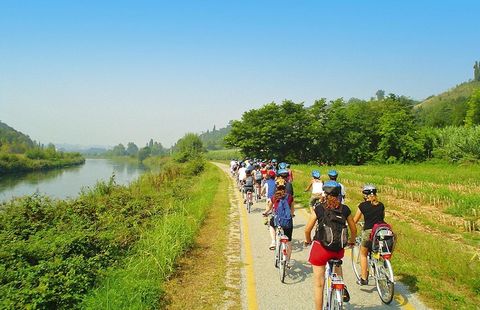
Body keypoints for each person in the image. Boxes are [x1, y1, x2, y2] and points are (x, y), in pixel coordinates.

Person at [304, 181, 357, 310]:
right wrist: (352, 240)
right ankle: (341, 285)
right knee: (337, 262)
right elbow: (354, 229)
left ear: (325, 193)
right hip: (338, 249)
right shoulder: (345, 209)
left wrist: (308, 240)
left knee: (319, 285)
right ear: (339, 194)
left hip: (321, 249)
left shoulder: (319, 208)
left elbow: (307, 230)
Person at [353, 184, 385, 285]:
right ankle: (380, 268)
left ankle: (363, 278)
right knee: (377, 250)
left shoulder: (362, 205)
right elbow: (382, 217)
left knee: (363, 254)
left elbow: (355, 220)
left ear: (365, 195)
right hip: (380, 231)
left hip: (369, 232)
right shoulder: (381, 205)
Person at [265, 180, 294, 259]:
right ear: (285, 188)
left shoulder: (274, 197)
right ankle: (287, 261)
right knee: (289, 242)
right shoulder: (290, 197)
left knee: (271, 224)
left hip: (278, 221)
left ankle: (273, 241)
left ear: (276, 188)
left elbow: (269, 208)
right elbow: (292, 210)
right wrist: (292, 214)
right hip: (288, 222)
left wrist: (265, 213)